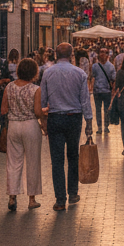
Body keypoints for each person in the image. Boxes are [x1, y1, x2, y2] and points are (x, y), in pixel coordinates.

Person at [41, 42, 93, 210]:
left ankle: (60, 199)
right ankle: (73, 192)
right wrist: (89, 123)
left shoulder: (48, 73)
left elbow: (42, 100)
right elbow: (85, 100)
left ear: (56, 55)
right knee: (73, 156)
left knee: (57, 160)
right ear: (72, 55)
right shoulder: (80, 73)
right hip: (74, 119)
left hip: (55, 118)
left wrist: (43, 119)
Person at [3, 56, 44, 211]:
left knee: (13, 162)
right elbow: (38, 112)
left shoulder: (9, 87)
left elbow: (3, 110)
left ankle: (12, 196)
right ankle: (31, 199)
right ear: (34, 72)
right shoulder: (35, 89)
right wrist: (45, 114)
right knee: (33, 161)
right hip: (30, 126)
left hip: (13, 125)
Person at [90, 47, 116, 134]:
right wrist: (91, 89)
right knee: (98, 109)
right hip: (97, 91)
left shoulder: (111, 66)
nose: (102, 54)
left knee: (106, 109)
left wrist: (113, 91)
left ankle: (106, 126)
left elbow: (113, 80)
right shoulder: (95, 66)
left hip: (107, 91)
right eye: (101, 52)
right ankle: (99, 127)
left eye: (104, 52)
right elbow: (93, 77)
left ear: (108, 55)